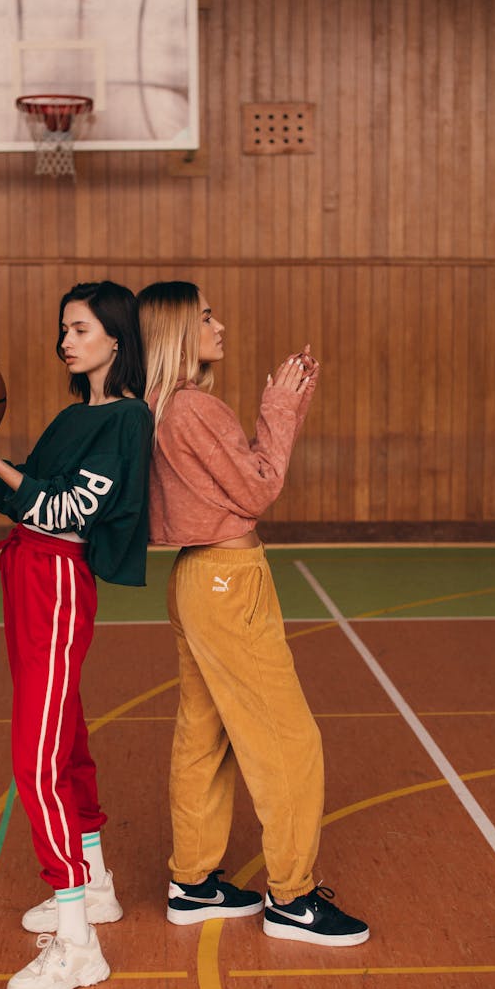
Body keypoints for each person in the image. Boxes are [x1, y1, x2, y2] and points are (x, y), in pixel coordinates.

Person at [0, 280, 153, 989]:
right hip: (26, 573)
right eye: (62, 329)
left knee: (36, 758)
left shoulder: (125, 420)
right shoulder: (70, 416)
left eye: (79, 328)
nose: (66, 340)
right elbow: (26, 490)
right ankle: (96, 887)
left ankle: (79, 944)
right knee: (68, 741)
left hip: (57, 580)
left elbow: (60, 507)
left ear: (115, 337)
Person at [137, 280, 369, 946]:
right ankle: (293, 899)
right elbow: (260, 485)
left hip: (193, 579)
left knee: (203, 736)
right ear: (181, 330)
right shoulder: (195, 409)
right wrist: (282, 406)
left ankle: (194, 881)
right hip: (228, 582)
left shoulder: (157, 406)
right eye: (206, 315)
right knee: (290, 742)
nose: (221, 324)